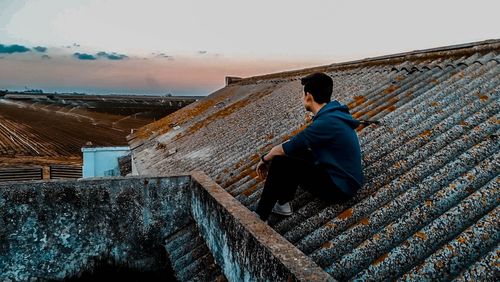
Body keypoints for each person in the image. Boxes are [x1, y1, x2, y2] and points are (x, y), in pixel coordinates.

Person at [255, 72, 363, 221]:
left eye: (303, 95)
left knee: (280, 160)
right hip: (344, 179)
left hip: (341, 188)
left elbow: (284, 148)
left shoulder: (326, 122)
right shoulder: (333, 115)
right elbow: (296, 145)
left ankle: (260, 216)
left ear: (309, 96)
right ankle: (283, 203)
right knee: (295, 152)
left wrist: (264, 159)